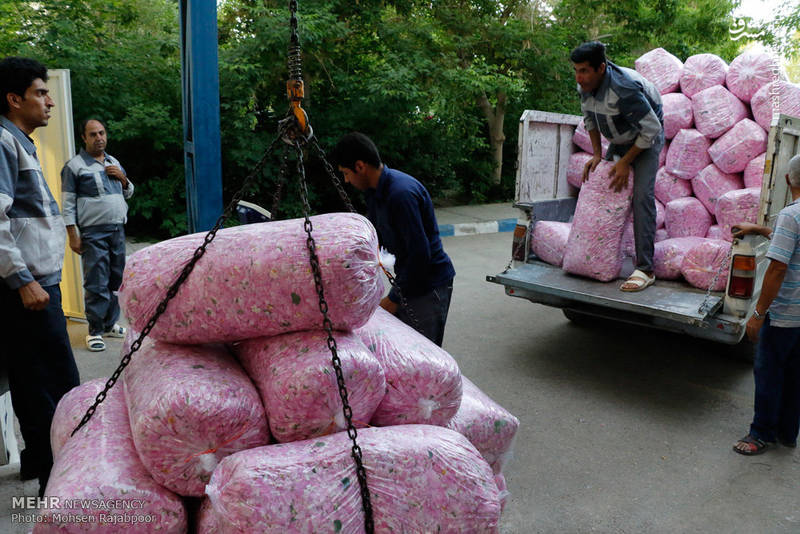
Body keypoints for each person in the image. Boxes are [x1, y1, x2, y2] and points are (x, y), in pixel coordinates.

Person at [0, 56, 80, 496]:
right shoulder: (2, 142)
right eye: (39, 93)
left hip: (35, 285)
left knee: (37, 385)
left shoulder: (20, 142)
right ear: (15, 100)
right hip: (25, 291)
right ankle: (60, 489)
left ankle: (44, 471)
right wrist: (22, 280)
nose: (49, 101)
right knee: (56, 392)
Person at [331, 132, 456, 347]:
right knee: (402, 350)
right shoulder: (374, 192)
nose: (346, 181)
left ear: (360, 166)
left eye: (346, 173)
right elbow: (377, 237)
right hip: (409, 280)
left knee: (423, 355)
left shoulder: (401, 194)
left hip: (428, 285)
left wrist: (394, 299)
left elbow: (419, 255)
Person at [571, 41, 665, 292]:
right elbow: (589, 118)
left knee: (641, 197)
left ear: (601, 68)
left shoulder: (624, 89)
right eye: (576, 71)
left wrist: (625, 162)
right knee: (608, 193)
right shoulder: (585, 86)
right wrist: (597, 155)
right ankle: (602, 256)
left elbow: (652, 129)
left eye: (584, 71)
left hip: (645, 139)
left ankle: (645, 269)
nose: (579, 78)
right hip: (618, 140)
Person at [732, 154, 800, 455]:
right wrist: (760, 230)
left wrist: (758, 314)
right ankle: (788, 433)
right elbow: (789, 240)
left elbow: (777, 268)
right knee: (795, 374)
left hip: (784, 314)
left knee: (769, 372)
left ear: (788, 180)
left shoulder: (791, 215)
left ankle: (760, 434)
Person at [61, 118, 133, 351]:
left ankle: (110, 324)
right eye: (93, 134)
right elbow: (68, 204)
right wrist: (72, 234)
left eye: (101, 133)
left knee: (115, 280)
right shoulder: (74, 167)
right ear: (84, 138)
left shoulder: (113, 161)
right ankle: (94, 330)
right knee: (96, 281)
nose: (99, 138)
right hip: (93, 233)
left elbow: (129, 192)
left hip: (117, 230)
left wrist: (122, 178)